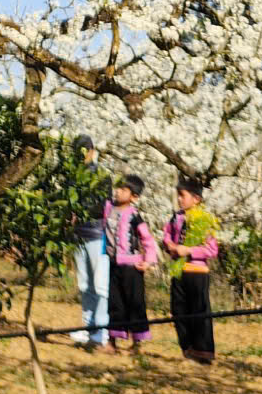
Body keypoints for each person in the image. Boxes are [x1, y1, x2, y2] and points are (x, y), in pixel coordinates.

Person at [164, 176, 222, 365]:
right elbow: (167, 236)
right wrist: (170, 245)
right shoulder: (176, 218)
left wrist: (188, 250)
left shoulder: (205, 220)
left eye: (183, 195)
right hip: (179, 271)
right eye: (178, 195)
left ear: (196, 199)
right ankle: (187, 349)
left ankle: (203, 353)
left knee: (199, 312)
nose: (179, 199)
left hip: (197, 272)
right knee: (178, 310)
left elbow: (212, 250)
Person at [104, 173, 158, 354]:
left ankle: (137, 343)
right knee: (114, 303)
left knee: (135, 303)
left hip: (132, 267)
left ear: (134, 196)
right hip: (113, 264)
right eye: (117, 187)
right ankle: (112, 342)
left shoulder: (135, 216)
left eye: (123, 189)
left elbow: (147, 240)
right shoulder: (108, 208)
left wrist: (149, 261)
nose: (118, 192)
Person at [68, 134, 112, 349]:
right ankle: (88, 327)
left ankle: (101, 332)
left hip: (97, 235)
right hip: (79, 236)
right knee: (85, 284)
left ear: (93, 152)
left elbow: (103, 206)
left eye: (86, 150)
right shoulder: (73, 177)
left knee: (100, 284)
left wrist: (81, 211)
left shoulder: (103, 177)